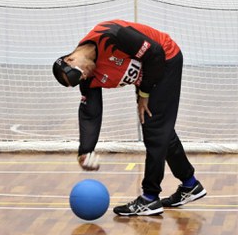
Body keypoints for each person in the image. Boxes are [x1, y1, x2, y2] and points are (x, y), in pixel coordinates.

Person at [52, 19, 207, 216]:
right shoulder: (88, 76)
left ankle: (150, 198)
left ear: (71, 60)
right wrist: (85, 150)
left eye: (80, 74)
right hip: (149, 75)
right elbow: (90, 113)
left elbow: (155, 53)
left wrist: (144, 93)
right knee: (161, 132)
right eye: (79, 80)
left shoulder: (111, 35)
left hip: (165, 59)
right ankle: (190, 185)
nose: (84, 77)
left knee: (154, 129)